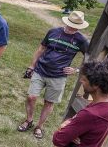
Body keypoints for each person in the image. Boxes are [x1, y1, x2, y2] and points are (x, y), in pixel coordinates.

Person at [17, 11, 90, 139]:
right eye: (70, 24)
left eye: (75, 26)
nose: (72, 27)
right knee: (31, 97)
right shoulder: (53, 32)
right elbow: (41, 49)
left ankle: (39, 126)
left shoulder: (81, 40)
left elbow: (89, 58)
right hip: (40, 70)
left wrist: (76, 70)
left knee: (49, 102)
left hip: (58, 76)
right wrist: (31, 66)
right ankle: (29, 120)